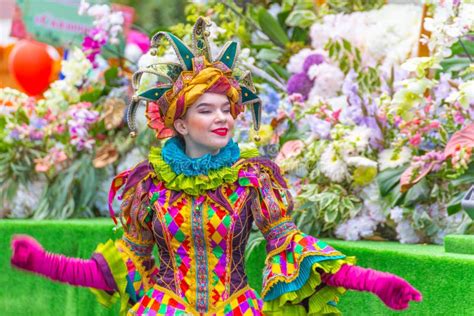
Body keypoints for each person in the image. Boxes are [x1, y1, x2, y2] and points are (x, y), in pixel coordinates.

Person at [10, 17, 422, 316]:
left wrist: (374, 282)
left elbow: (293, 250)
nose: (223, 117)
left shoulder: (251, 180)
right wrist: (43, 263)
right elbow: (120, 269)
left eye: (227, 108)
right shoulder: (149, 188)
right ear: (180, 123)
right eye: (206, 110)